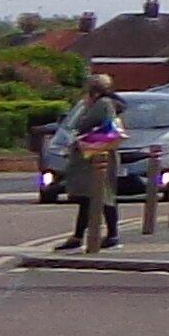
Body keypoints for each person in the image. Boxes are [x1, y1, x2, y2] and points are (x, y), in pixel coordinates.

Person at [56, 92, 125, 253]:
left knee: (102, 196)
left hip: (97, 157)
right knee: (90, 198)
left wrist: (86, 109)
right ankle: (79, 237)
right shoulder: (108, 103)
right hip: (99, 156)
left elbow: (83, 124)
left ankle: (111, 236)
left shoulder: (102, 104)